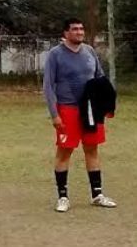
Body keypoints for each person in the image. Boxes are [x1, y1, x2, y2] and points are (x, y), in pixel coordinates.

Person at [43, 17, 116, 212]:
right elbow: (48, 86)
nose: (79, 32)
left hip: (90, 110)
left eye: (81, 29)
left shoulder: (90, 51)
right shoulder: (55, 55)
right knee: (64, 151)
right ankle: (63, 197)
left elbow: (99, 77)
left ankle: (97, 194)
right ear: (65, 33)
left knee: (92, 149)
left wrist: (106, 103)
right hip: (67, 109)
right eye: (75, 29)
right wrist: (54, 115)